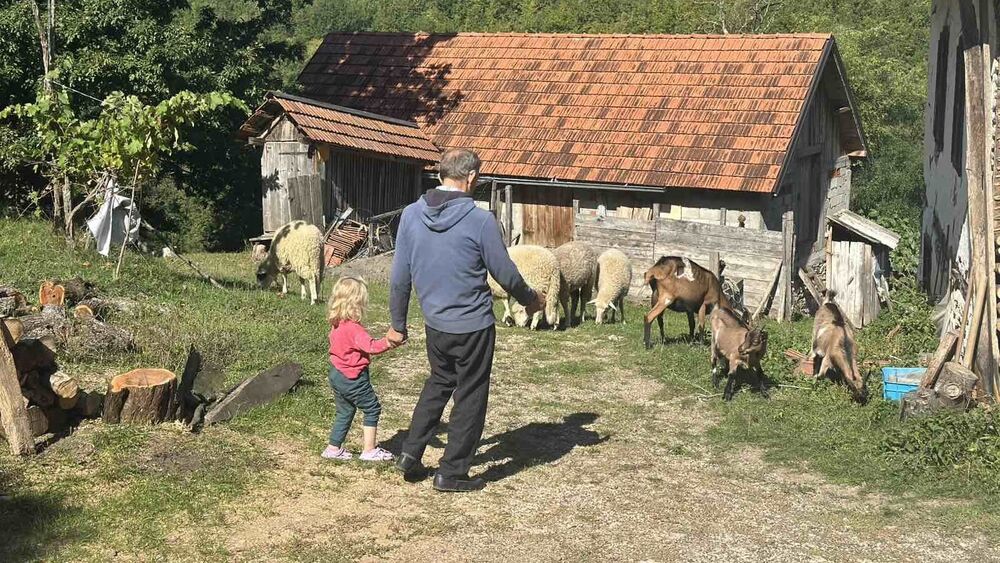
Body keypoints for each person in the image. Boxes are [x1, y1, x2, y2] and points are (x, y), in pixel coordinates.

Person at [388, 148, 546, 492]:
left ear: (440, 173)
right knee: (470, 394)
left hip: (436, 323)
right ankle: (452, 472)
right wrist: (530, 300)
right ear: (472, 176)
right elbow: (505, 272)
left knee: (438, 383)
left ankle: (411, 453)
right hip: (473, 325)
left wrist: (397, 324)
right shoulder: (480, 220)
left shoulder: (412, 215)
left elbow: (399, 275)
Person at [322, 276, 400, 462]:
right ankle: (369, 450)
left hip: (337, 374)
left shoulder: (336, 324)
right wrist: (389, 342)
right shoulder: (354, 329)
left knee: (345, 411)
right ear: (357, 303)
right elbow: (371, 346)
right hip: (353, 377)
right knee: (372, 408)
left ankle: (333, 448)